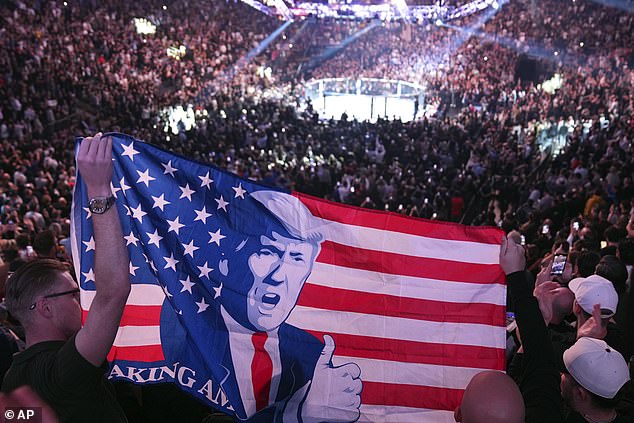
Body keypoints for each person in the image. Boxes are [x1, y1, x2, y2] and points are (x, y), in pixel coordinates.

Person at [160, 190, 362, 422]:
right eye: (267, 252)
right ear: (226, 260)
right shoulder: (179, 335)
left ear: (309, 269)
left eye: (296, 258)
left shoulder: (313, 358)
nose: (279, 275)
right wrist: (297, 416)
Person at [1, 133, 130, 423]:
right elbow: (114, 292)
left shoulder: (12, 380)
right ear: (45, 306)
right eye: (72, 294)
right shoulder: (62, 370)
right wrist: (98, 188)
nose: (81, 299)